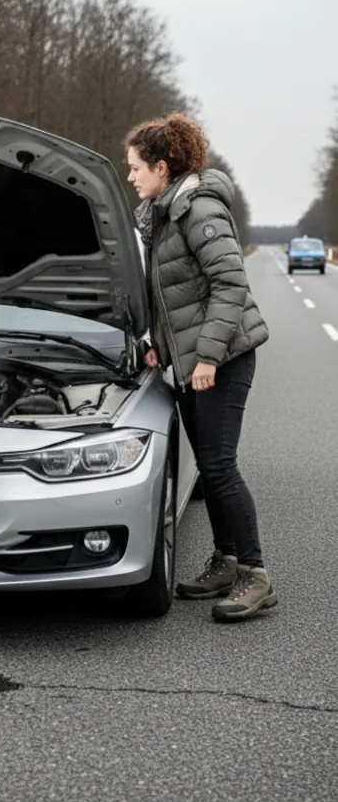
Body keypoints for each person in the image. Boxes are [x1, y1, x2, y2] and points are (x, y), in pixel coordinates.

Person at [123, 113, 276, 623]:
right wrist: (159, 346)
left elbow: (229, 285)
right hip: (193, 361)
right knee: (210, 470)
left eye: (136, 167)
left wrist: (208, 356)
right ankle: (227, 562)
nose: (131, 176)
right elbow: (173, 295)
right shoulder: (163, 214)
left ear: (162, 167)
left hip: (224, 359)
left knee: (220, 466)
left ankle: (256, 574)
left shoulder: (199, 209)